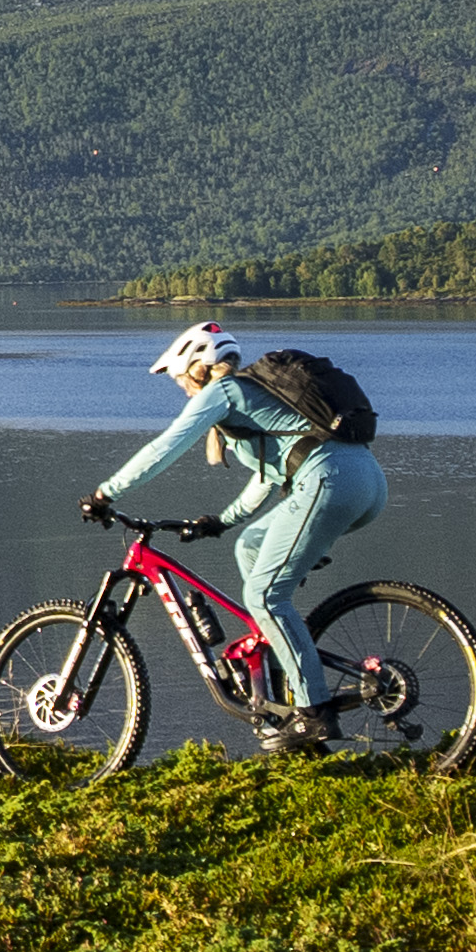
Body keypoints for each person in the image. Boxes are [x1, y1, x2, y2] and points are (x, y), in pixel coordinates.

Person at [94, 317, 383, 744]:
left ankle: (312, 710)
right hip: (365, 482)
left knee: (263, 595)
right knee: (249, 546)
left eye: (179, 380)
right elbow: (269, 475)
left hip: (328, 480)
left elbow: (166, 446)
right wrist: (224, 521)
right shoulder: (257, 395)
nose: (182, 390)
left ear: (197, 367)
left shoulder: (224, 392)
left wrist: (105, 492)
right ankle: (278, 670)